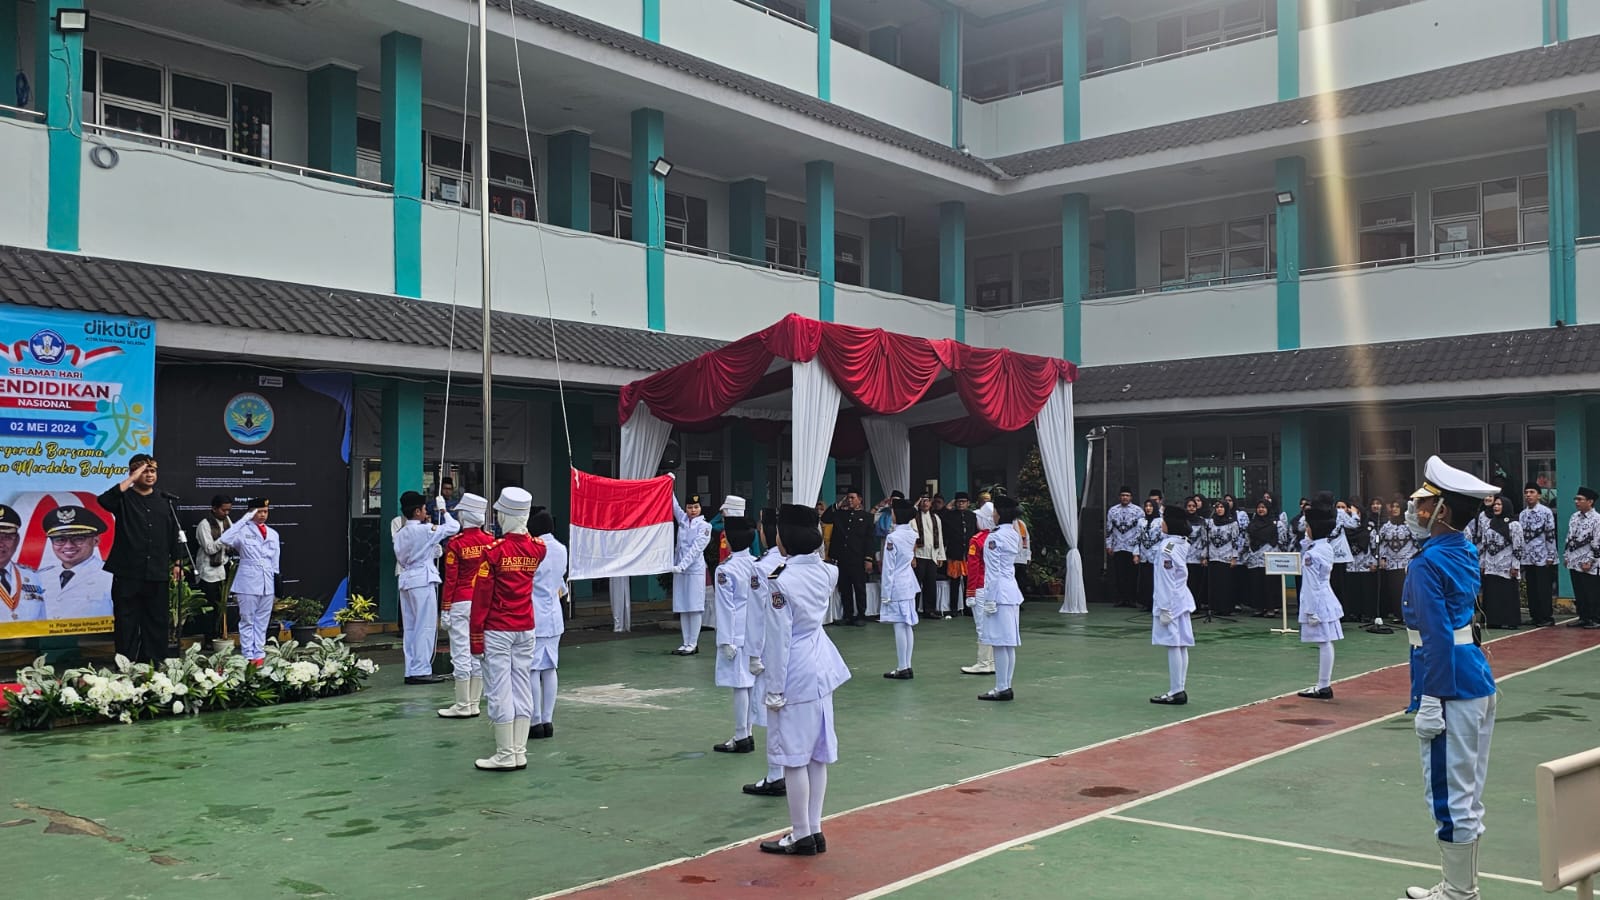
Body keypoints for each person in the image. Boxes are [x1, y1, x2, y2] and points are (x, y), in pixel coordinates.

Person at [1397, 456, 1500, 900]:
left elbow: (1436, 637)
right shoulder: (1461, 549)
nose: (1417, 511)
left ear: (1445, 514)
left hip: (1450, 686)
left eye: (1426, 506)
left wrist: (1432, 698)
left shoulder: (1425, 564)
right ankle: (1461, 885)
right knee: (1468, 793)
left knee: (1448, 796)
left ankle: (1459, 893)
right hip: (1475, 677)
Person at [757, 504, 850, 856]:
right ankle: (814, 828)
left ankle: (800, 834)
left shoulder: (780, 580)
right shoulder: (827, 573)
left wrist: (775, 689)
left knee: (793, 756)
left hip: (795, 669)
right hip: (822, 664)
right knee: (817, 755)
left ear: (786, 537)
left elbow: (779, 641)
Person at [470, 487, 545, 771]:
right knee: (522, 686)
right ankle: (519, 751)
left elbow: (481, 599)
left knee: (499, 689)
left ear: (506, 515)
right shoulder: (538, 548)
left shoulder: (494, 552)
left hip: (498, 629)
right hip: (526, 626)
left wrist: (475, 638)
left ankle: (504, 753)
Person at [98, 454, 184, 663]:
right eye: (144, 471)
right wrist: (130, 479)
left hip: (156, 572)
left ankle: (152, 664)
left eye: (152, 471)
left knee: (156, 620)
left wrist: (177, 562)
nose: (149, 474)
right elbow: (103, 501)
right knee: (127, 621)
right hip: (128, 572)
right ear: (133, 473)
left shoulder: (164, 501)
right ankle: (126, 664)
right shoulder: (123, 499)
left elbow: (173, 533)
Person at [743, 508, 787, 798]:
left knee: (774, 715)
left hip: (774, 650)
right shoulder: (813, 568)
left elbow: (759, 616)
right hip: (804, 650)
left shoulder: (764, 568)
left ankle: (776, 775)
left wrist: (754, 654)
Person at [394, 490, 460, 684]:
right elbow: (454, 527)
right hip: (422, 580)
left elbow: (414, 553)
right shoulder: (424, 530)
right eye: (423, 509)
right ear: (416, 511)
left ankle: (411, 670)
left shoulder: (401, 532)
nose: (426, 512)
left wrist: (431, 551)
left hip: (406, 579)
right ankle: (422, 669)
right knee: (426, 626)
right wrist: (444, 510)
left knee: (411, 628)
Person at [438, 493, 493, 718]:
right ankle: (473, 703)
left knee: (460, 652)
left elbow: (451, 579)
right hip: (483, 603)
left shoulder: (456, 544)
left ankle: (462, 705)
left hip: (460, 602)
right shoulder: (491, 541)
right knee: (478, 651)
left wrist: (445, 609)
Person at [713, 498, 760, 752]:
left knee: (740, 685)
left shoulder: (725, 570)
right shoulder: (756, 565)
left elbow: (726, 608)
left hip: (737, 633)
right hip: (754, 631)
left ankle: (741, 735)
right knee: (750, 684)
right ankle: (747, 732)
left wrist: (725, 639)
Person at [218, 498, 281, 664]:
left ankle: (259, 655)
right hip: (248, 581)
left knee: (262, 621)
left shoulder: (273, 533)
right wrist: (245, 519)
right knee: (247, 619)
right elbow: (224, 539)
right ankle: (248, 655)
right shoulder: (242, 530)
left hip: (267, 582)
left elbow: (275, 562)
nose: (262, 515)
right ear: (251, 512)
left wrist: (277, 583)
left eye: (265, 511)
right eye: (258, 511)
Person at [975, 496, 1024, 702]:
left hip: (999, 593)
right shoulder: (1013, 533)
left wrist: (990, 599)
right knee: (1008, 643)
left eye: (994, 511)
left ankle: (1002, 687)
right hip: (1011, 591)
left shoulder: (995, 538)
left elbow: (993, 572)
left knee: (999, 643)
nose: (992, 515)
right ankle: (1005, 685)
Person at [1297, 495, 1344, 700]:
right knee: (1326, 642)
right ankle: (1323, 684)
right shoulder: (1324, 547)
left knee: (1324, 642)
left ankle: (1323, 685)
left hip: (1317, 601)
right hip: (1326, 597)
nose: (1305, 529)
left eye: (1308, 526)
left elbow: (1310, 585)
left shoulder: (1312, 553)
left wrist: (1310, 610)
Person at [1151, 504, 1196, 706]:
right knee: (1181, 644)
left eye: (1164, 519)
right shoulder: (1180, 543)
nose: (1161, 523)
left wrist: (1163, 608)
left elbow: (1165, 580)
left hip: (1171, 602)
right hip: (1182, 599)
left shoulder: (1166, 548)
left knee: (1173, 644)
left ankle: (1177, 690)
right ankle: (1179, 688)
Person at [529, 506, 568, 740]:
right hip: (554, 614)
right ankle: (548, 719)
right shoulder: (561, 549)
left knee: (533, 668)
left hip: (534, 613)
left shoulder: (535, 549)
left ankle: (535, 721)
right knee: (550, 668)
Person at [37, 506, 114, 620]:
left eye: (78, 538)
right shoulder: (39, 577)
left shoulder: (112, 576)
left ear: (95, 541)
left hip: (94, 638)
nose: (68, 546)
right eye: (60, 539)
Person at [879, 499, 919, 680]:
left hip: (896, 584)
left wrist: (885, 593)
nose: (891, 515)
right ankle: (906, 665)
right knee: (907, 624)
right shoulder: (912, 534)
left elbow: (888, 567)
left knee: (899, 626)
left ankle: (903, 666)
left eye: (893, 512)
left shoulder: (893, 537)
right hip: (908, 582)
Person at [669, 491, 713, 654]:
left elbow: (696, 550)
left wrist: (682, 566)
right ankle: (685, 642)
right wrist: (669, 485)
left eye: (696, 507)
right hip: (679, 569)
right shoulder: (682, 520)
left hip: (693, 570)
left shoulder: (704, 526)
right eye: (690, 507)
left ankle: (693, 643)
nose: (693, 510)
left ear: (700, 508)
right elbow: (674, 506)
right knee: (682, 605)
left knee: (694, 607)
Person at [821, 492, 872, 626]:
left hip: (857, 557)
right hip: (842, 557)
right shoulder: (840, 514)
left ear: (860, 499)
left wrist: (868, 559)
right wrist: (838, 504)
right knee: (845, 588)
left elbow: (868, 539)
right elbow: (826, 518)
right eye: (848, 498)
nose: (849, 500)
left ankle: (861, 614)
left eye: (852, 498)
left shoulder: (866, 517)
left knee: (859, 587)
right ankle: (848, 615)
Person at [1478, 496, 1523, 629]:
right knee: (1492, 593)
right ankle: (1493, 620)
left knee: (1507, 593)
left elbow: (1518, 547)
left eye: (1499, 505)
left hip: (1506, 565)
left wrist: (1515, 566)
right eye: (1495, 505)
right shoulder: (1490, 523)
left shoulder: (1514, 525)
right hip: (1491, 565)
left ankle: (1510, 621)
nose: (1496, 507)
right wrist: (1483, 564)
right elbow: (1484, 545)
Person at [193, 495, 234, 641]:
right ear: (214, 509)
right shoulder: (204, 525)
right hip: (208, 572)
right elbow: (210, 549)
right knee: (210, 608)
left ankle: (220, 636)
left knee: (220, 607)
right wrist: (225, 538)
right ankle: (209, 639)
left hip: (223, 569)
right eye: (224, 510)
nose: (227, 513)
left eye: (229, 510)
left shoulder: (227, 521)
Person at [1519, 482, 1557, 627]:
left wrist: (1551, 555)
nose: (1528, 495)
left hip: (1542, 556)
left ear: (1539, 495)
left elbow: (1550, 535)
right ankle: (1535, 615)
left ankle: (1546, 616)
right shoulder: (1523, 514)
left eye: (1532, 492)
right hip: (1528, 557)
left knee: (1543, 588)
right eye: (1526, 492)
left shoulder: (1545, 512)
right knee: (1531, 588)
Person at [0, 504, 46, 623]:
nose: (1, 543)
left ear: (17, 541)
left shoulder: (33, 577)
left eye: (7, 537)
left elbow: (42, 622)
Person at [1563, 486, 1600, 628]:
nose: (1576, 502)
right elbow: (1569, 537)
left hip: (1590, 561)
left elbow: (1597, 542)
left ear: (1590, 502)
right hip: (1574, 559)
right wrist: (1567, 556)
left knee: (1592, 591)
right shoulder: (1574, 517)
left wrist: (1590, 560)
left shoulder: (1597, 519)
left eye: (1580, 499)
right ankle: (1583, 617)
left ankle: (1595, 618)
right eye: (1576, 499)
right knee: (1579, 590)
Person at [1378, 499, 1419, 623]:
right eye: (1393, 506)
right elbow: (1381, 543)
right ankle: (1398, 614)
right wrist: (1382, 558)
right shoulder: (1386, 526)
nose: (1395, 509)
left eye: (1397, 506)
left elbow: (1417, 542)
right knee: (1394, 590)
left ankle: (1410, 615)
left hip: (1407, 562)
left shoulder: (1409, 525)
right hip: (1391, 563)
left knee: (1408, 589)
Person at [1244, 499, 1285, 618]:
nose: (1261, 509)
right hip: (1255, 557)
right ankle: (1258, 607)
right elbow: (1247, 539)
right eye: (1259, 507)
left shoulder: (1276, 523)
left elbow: (1282, 540)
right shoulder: (1252, 524)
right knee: (1256, 582)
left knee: (1270, 583)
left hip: (1270, 555)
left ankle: (1271, 608)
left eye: (1263, 507)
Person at [942, 492, 979, 616]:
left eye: (964, 501)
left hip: (969, 554)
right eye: (959, 501)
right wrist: (948, 507)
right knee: (955, 582)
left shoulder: (972, 516)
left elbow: (976, 532)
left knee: (969, 582)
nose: (961, 503)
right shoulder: (949, 515)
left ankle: (968, 607)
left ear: (968, 503)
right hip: (955, 552)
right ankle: (954, 609)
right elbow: (942, 526)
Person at [1344, 498, 1380, 624]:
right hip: (1350, 564)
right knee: (1352, 589)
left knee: (1367, 590)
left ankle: (1367, 614)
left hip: (1366, 563)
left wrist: (1375, 562)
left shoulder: (1369, 527)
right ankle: (1353, 613)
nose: (1356, 516)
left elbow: (1374, 546)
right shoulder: (1345, 529)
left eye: (1358, 513)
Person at [1105, 486, 1142, 609]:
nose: (1125, 497)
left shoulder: (1138, 511)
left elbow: (1140, 530)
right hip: (1118, 546)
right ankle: (1121, 598)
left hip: (1132, 547)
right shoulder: (1112, 511)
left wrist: (1138, 548)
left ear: (1131, 497)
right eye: (1122, 495)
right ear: (1119, 497)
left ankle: (1132, 599)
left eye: (1127, 495)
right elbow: (1109, 529)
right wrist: (1108, 545)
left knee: (1132, 575)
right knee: (1119, 574)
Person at [911, 494, 946, 619]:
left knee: (930, 584)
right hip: (919, 555)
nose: (925, 504)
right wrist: (912, 557)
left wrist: (941, 555)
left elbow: (940, 537)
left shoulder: (936, 518)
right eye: (923, 501)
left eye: (928, 501)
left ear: (931, 503)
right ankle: (912, 609)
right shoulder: (913, 518)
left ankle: (929, 610)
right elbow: (911, 539)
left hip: (932, 555)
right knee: (915, 584)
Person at [1204, 499, 1241, 615]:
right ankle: (1215, 607)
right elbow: (1206, 540)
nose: (1219, 509)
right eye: (1217, 507)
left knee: (1225, 583)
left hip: (1226, 556)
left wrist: (1234, 557)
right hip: (1213, 556)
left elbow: (1235, 541)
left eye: (1222, 507)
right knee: (1214, 583)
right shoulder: (1210, 522)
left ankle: (1226, 608)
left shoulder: (1232, 523)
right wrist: (1204, 556)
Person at [1135, 499, 1163, 612]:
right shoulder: (1141, 521)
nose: (1148, 508)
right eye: (1146, 506)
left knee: (1155, 580)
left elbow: (1165, 538)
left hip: (1156, 555)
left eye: (1151, 506)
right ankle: (1146, 602)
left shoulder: (1161, 521)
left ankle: (1156, 603)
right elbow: (1137, 538)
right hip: (1144, 554)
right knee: (1145, 580)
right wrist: (1136, 553)